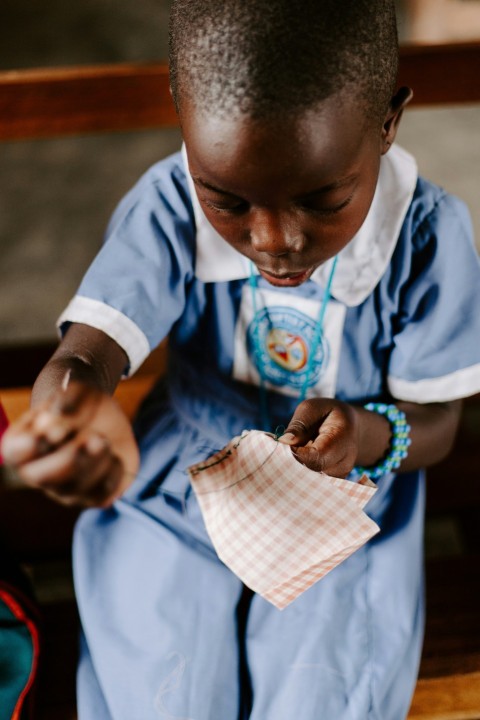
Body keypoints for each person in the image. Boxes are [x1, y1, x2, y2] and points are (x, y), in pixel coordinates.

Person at [2, 1, 480, 718]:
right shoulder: (167, 205)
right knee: (160, 696)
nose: (274, 240)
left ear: (387, 119)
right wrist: (69, 410)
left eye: (323, 198)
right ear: (183, 113)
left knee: (321, 695)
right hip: (178, 480)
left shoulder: (427, 239)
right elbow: (87, 356)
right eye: (225, 200)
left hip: (344, 494)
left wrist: (365, 432)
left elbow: (440, 420)